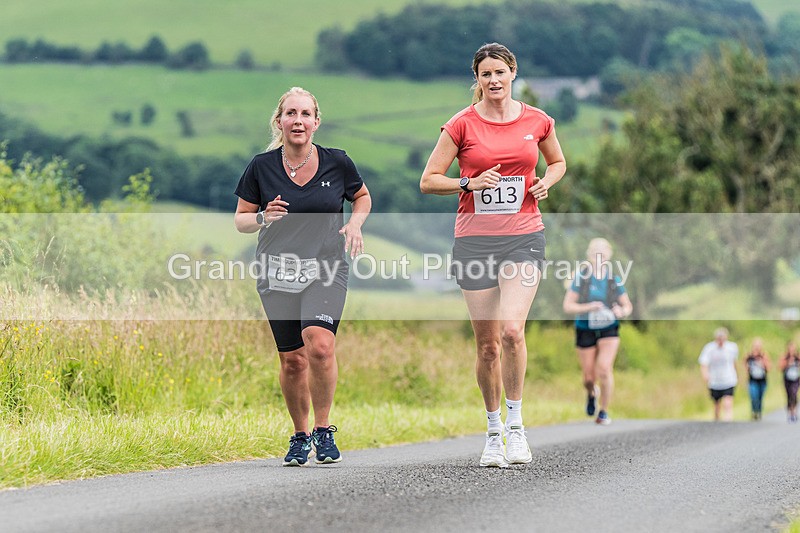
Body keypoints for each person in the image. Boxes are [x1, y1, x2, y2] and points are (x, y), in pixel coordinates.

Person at [420, 43, 566, 467]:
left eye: (500, 72)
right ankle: (492, 431)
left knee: (512, 332)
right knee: (487, 347)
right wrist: (467, 184)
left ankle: (517, 427)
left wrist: (546, 183)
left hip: (524, 235)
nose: (494, 80)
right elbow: (429, 181)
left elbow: (556, 162)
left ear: (513, 73)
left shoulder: (537, 120)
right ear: (478, 79)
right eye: (486, 74)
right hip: (475, 240)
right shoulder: (460, 125)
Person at [234, 87, 371, 466]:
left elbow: (362, 196)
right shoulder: (261, 167)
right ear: (279, 122)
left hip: (326, 266)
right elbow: (241, 220)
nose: (298, 121)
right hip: (275, 271)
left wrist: (356, 225)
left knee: (320, 345)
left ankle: (324, 431)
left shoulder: (337, 162)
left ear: (316, 121)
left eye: (305, 114)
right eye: (291, 114)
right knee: (293, 360)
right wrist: (264, 217)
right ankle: (300, 435)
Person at [562, 238, 633, 426]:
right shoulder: (582, 278)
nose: (599, 258)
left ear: (609, 256)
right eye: (596, 254)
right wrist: (588, 307)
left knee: (604, 368)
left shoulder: (613, 280)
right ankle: (592, 392)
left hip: (609, 327)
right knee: (588, 378)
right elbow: (568, 306)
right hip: (585, 328)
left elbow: (627, 306)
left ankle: (604, 411)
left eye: (603, 254)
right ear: (590, 256)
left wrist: (621, 311)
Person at [698, 327, 739, 422]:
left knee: (728, 402)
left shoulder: (732, 347)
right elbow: (703, 363)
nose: (720, 341)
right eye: (719, 338)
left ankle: (728, 421)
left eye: (722, 338)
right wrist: (705, 374)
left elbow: (734, 362)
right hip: (715, 380)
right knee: (717, 404)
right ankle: (717, 421)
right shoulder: (709, 348)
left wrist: (736, 373)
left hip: (729, 379)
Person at [744, 337, 771, 421]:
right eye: (755, 346)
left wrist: (762, 363)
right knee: (754, 396)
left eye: (758, 346)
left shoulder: (764, 355)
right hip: (752, 380)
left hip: (762, 380)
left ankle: (759, 412)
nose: (757, 348)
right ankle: (754, 412)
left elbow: (769, 367)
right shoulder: (749, 356)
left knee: (760, 397)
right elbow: (744, 365)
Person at [779, 341, 800, 423]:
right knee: (789, 395)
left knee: (794, 394)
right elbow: (780, 367)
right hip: (787, 379)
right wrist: (788, 363)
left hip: (796, 379)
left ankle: (794, 412)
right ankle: (789, 413)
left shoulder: (797, 357)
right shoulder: (785, 357)